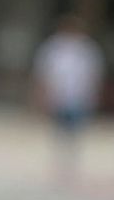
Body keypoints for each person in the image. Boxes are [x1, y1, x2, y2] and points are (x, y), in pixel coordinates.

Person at [34, 15, 105, 185]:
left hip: (79, 96)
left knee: (76, 130)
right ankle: (60, 163)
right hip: (59, 96)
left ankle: (72, 163)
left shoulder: (87, 49)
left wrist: (93, 95)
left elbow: (94, 74)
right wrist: (42, 94)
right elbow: (43, 74)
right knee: (59, 130)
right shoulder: (53, 48)